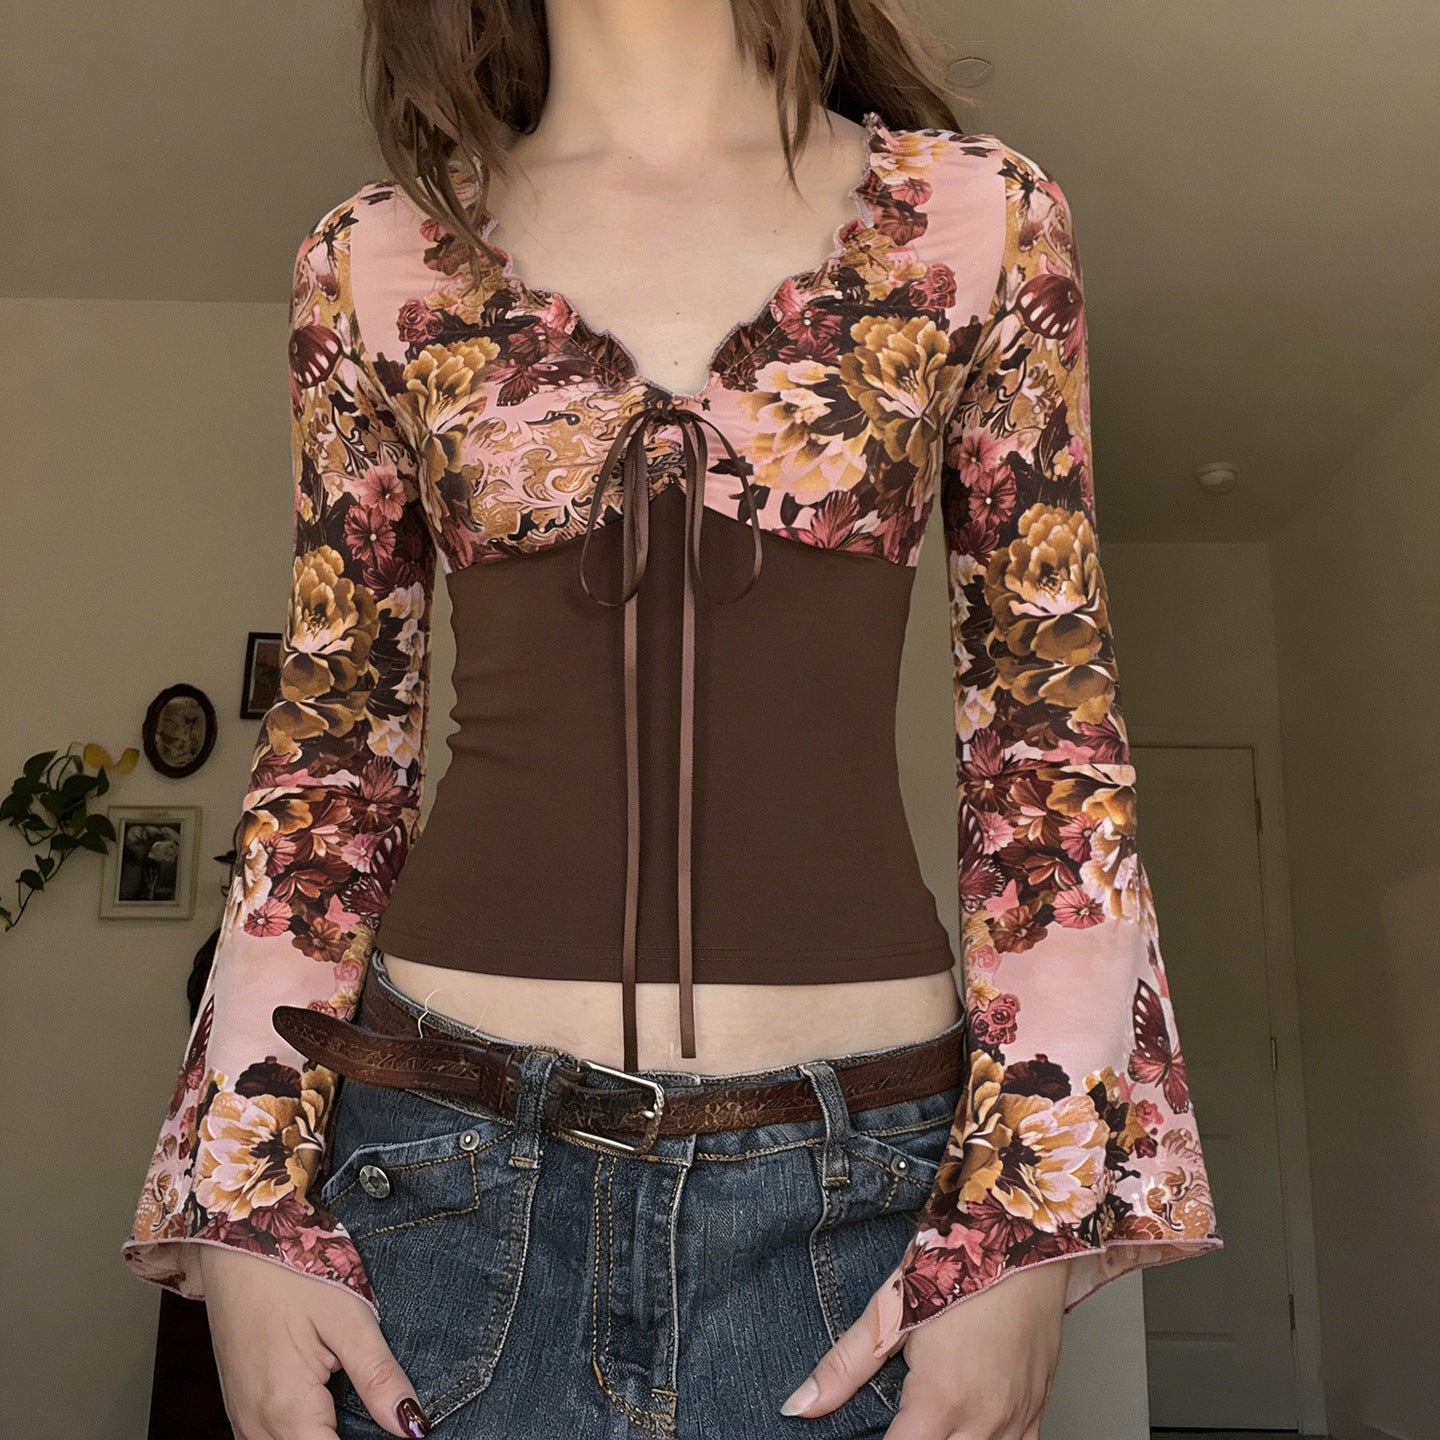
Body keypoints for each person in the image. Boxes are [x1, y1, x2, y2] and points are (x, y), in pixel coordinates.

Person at [122, 3, 1223, 1437]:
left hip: (859, 1199)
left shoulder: (982, 222)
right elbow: (332, 752)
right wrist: (244, 1201)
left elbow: (1048, 742)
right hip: (437, 1181)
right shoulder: (374, 257)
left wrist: (1027, 1217)